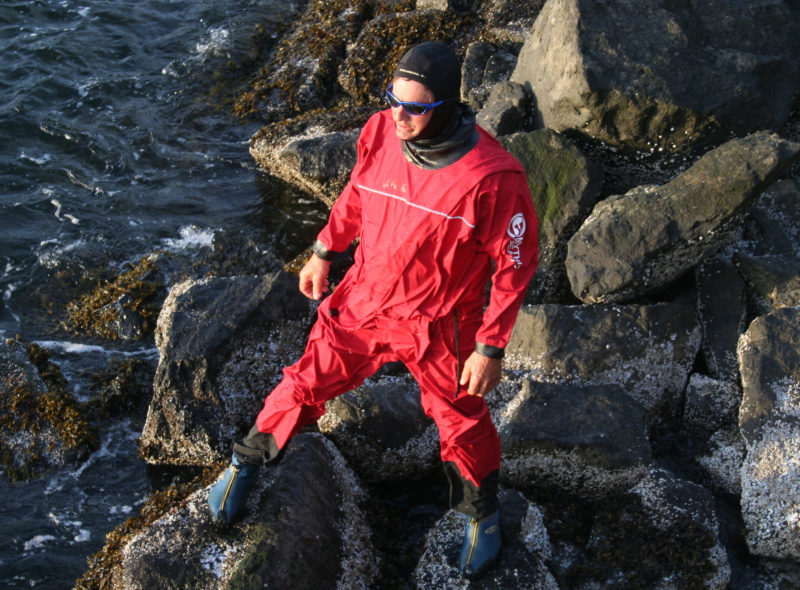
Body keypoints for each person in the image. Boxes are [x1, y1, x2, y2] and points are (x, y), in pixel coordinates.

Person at [208, 41, 538, 580]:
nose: (399, 116)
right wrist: (324, 250)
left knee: (460, 419)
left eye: (416, 108)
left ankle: (482, 515)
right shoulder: (381, 130)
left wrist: (490, 347)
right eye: (393, 101)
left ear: (447, 106)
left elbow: (515, 266)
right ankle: (245, 463)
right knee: (304, 381)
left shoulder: (493, 178)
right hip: (364, 301)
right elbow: (357, 194)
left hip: (440, 323)